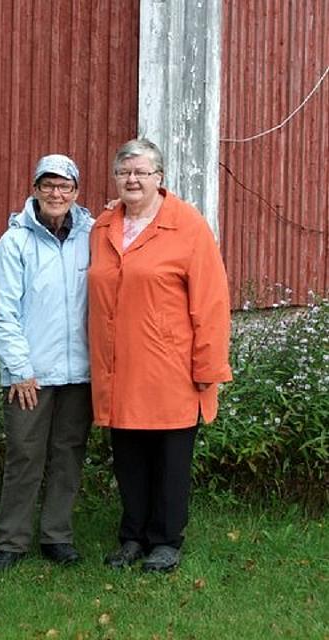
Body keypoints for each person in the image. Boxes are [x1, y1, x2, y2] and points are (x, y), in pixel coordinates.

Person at [88, 138, 232, 573]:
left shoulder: (186, 225)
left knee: (169, 460)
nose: (132, 179)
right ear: (115, 179)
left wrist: (209, 366)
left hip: (170, 369)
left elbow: (210, 302)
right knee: (129, 457)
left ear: (160, 178)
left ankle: (166, 540)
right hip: (118, 367)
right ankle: (132, 536)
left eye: (141, 172)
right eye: (124, 172)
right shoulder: (103, 225)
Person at [0, 154, 93, 572]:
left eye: (65, 186)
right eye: (48, 185)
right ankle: (11, 542)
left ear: (76, 193)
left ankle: (57, 536)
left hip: (79, 374)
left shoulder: (91, 236)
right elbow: (1, 313)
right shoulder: (14, 244)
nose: (56, 193)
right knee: (25, 455)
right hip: (30, 375)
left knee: (68, 454)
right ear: (34, 190)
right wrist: (19, 368)